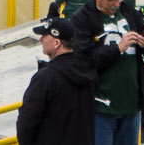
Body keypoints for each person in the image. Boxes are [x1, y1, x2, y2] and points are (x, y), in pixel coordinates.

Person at [18, 16, 100, 145]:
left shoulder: (46, 77)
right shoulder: (88, 70)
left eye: (45, 36)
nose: (40, 39)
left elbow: (27, 120)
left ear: (57, 43)